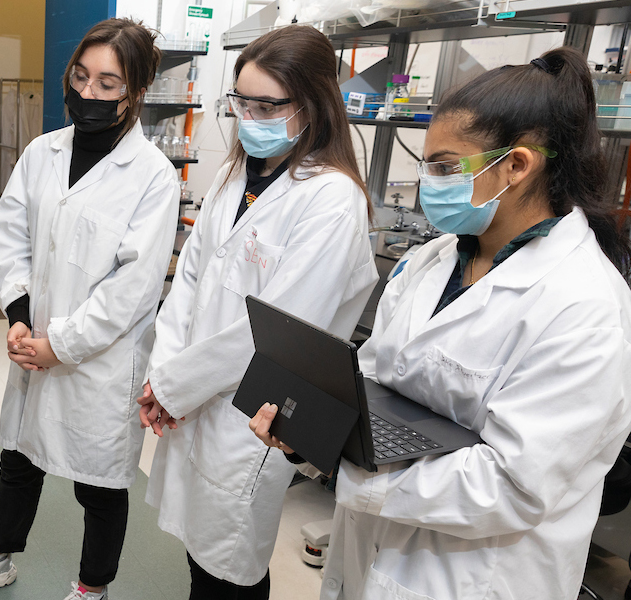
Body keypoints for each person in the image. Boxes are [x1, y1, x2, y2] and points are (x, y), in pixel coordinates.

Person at [250, 47, 631, 600]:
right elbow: (374, 381)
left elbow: (514, 485)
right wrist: (313, 431)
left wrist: (347, 470)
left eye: (445, 167)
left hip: (472, 576)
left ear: (519, 165)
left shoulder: (585, 305)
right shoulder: (434, 261)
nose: (429, 183)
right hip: (372, 553)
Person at [135, 25, 377, 599]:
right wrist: (166, 376)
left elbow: (274, 330)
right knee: (200, 552)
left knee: (232, 563)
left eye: (267, 104)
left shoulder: (331, 200)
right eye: (241, 100)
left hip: (256, 415)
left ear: (314, 103)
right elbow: (188, 279)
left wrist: (176, 387)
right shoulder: (233, 175)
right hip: (194, 398)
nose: (249, 116)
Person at [0, 18, 180, 600]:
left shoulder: (153, 177)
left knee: (100, 483)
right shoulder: (43, 152)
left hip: (99, 358)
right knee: (18, 455)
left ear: (135, 92)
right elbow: (9, 233)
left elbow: (133, 287)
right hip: (32, 335)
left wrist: (60, 343)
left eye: (108, 84)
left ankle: (94, 587)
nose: (88, 94)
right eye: (81, 76)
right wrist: (19, 317)